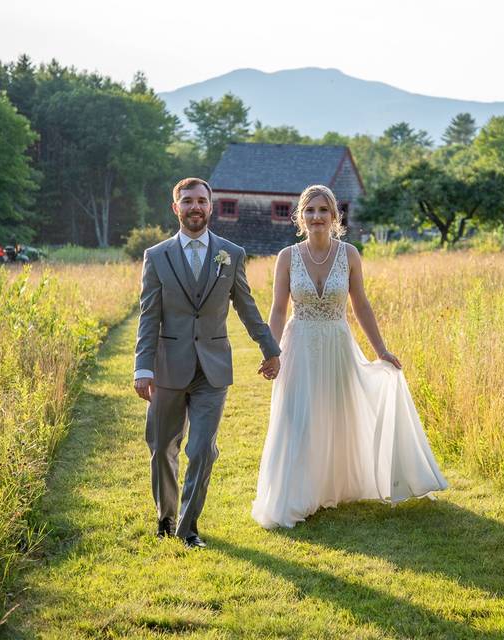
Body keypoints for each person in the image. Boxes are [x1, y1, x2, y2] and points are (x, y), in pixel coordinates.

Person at [251, 185, 447, 529]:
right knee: (299, 419)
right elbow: (278, 310)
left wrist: (382, 351)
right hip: (299, 345)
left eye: (323, 210)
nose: (316, 217)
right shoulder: (287, 257)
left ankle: (335, 486)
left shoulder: (350, 255)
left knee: (338, 414)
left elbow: (362, 305)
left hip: (338, 343)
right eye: (309, 210)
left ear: (335, 217)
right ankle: (296, 495)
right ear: (300, 216)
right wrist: (272, 352)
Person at [133, 177, 280, 549]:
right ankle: (166, 517)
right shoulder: (156, 256)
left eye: (201, 201)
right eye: (187, 201)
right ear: (176, 208)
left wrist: (270, 348)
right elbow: (149, 315)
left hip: (212, 369)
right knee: (162, 446)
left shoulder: (230, 253)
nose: (195, 207)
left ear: (210, 207)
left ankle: (188, 527)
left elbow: (246, 306)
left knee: (201, 449)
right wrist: (143, 367)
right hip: (168, 368)